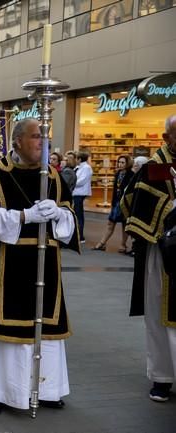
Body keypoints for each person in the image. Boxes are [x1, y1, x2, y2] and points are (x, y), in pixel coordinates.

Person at [0, 118, 79, 416]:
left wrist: (58, 214)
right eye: (35, 136)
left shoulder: (53, 177)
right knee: (4, 329)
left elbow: (69, 224)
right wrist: (25, 216)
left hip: (45, 265)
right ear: (16, 141)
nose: (43, 142)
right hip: (6, 263)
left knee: (46, 326)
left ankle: (48, 389)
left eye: (45, 137)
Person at [123, 115, 176, 402]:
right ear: (167, 137)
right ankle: (162, 377)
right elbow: (131, 201)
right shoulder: (154, 168)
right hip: (164, 252)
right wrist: (171, 207)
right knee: (160, 317)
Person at [92, 155, 133, 253]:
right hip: (116, 203)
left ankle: (123, 245)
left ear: (128, 164)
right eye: (119, 162)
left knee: (124, 224)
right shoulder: (117, 173)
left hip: (125, 203)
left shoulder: (131, 175)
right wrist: (113, 202)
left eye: (123, 162)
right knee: (110, 223)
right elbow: (115, 189)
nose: (120, 164)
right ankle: (102, 243)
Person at [72, 150, 92, 242]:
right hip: (76, 193)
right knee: (76, 214)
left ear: (79, 159)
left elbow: (81, 181)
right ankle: (76, 234)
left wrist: (71, 183)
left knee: (78, 215)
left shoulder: (86, 168)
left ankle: (80, 236)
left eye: (76, 158)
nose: (75, 160)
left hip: (79, 193)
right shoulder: (79, 167)